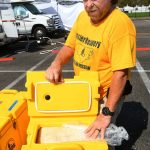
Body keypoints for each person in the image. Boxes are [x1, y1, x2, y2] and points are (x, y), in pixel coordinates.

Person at [45, 0, 136, 147]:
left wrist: (106, 113)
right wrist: (56, 63)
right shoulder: (82, 17)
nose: (88, 4)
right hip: (84, 90)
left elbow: (121, 73)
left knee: (100, 138)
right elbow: (70, 46)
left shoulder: (120, 24)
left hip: (106, 95)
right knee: (84, 133)